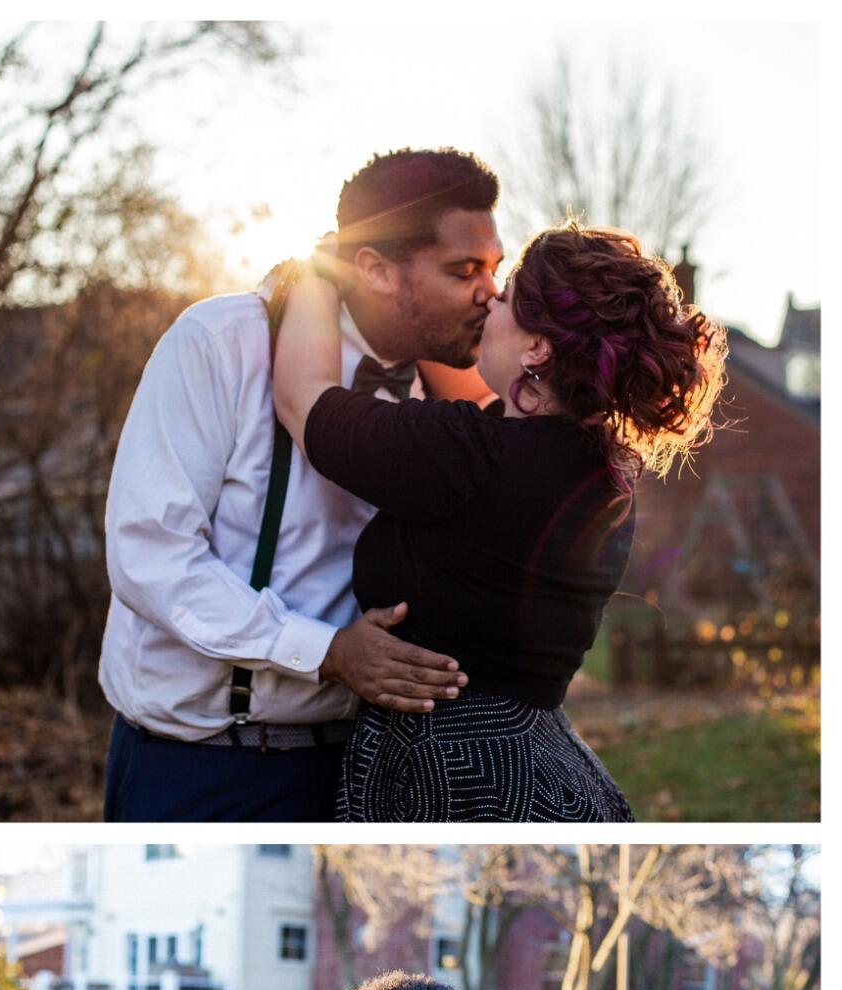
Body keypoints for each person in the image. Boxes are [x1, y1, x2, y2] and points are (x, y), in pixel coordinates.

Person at [271, 222, 727, 820]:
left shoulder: (469, 454)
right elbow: (495, 397)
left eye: (506, 294)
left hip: (453, 773)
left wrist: (316, 271)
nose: (488, 299)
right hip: (541, 760)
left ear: (539, 349)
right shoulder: (598, 462)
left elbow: (303, 399)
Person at [98, 149, 499, 820]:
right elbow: (151, 555)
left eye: (496, 269)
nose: (492, 293)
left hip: (376, 761)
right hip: (208, 765)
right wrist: (329, 651)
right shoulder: (220, 343)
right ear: (372, 268)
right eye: (464, 271)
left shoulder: (451, 389)